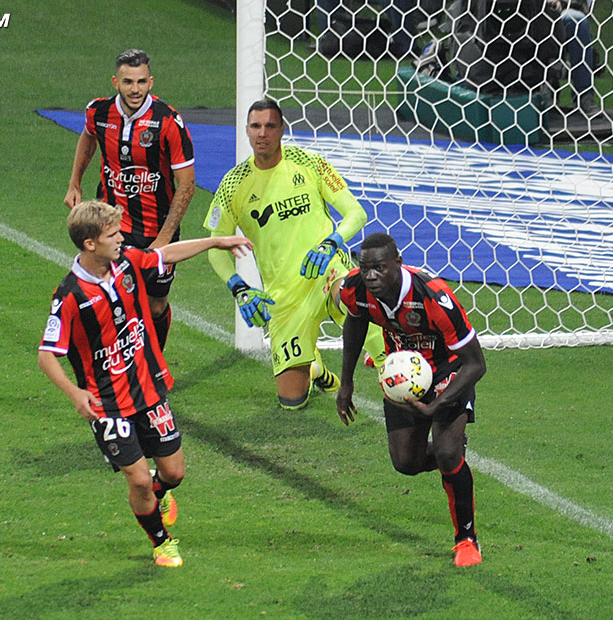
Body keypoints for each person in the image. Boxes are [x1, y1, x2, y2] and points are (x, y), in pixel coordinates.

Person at [38, 199, 252, 568]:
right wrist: (75, 393)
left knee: (174, 473)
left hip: (149, 390)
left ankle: (159, 493)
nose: (121, 238)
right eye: (112, 234)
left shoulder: (128, 262)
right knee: (138, 480)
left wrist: (216, 242)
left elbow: (166, 254)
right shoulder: (69, 296)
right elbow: (46, 354)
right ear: (90, 244)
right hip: (107, 404)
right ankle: (161, 542)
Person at [204, 98, 386, 410]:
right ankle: (314, 368)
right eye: (256, 126)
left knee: (350, 293)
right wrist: (239, 288)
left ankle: (389, 361)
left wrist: (331, 242)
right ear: (247, 131)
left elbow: (356, 213)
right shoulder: (233, 184)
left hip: (327, 270)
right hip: (284, 297)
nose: (263, 133)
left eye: (270, 126)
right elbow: (215, 250)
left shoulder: (309, 163)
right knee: (292, 400)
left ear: (282, 130)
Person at [336, 232, 487, 567]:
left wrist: (437, 406)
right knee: (406, 462)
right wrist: (345, 382)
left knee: (447, 451)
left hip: (450, 369)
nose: (371, 276)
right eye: (365, 269)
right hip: (404, 376)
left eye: (379, 268)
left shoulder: (433, 296)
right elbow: (356, 320)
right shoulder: (355, 289)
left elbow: (476, 363)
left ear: (398, 264)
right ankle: (455, 461)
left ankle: (466, 540)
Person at [64, 48, 195, 350]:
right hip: (111, 226)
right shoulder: (98, 112)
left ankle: (154, 366)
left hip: (155, 227)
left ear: (151, 82)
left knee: (156, 304)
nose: (134, 89)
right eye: (127, 82)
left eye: (140, 82)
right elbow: (88, 136)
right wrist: (74, 182)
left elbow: (186, 185)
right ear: (115, 82)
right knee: (113, 297)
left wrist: (163, 240)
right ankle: (121, 367)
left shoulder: (168, 122)